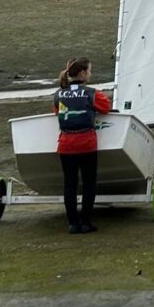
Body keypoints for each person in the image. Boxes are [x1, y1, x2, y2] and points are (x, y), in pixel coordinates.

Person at [54, 58, 112, 234]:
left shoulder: (58, 94)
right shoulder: (92, 93)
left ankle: (72, 224)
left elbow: (57, 112)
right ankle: (86, 222)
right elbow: (106, 107)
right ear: (82, 74)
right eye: (90, 71)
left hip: (65, 145)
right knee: (88, 183)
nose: (91, 74)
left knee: (70, 184)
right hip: (86, 144)